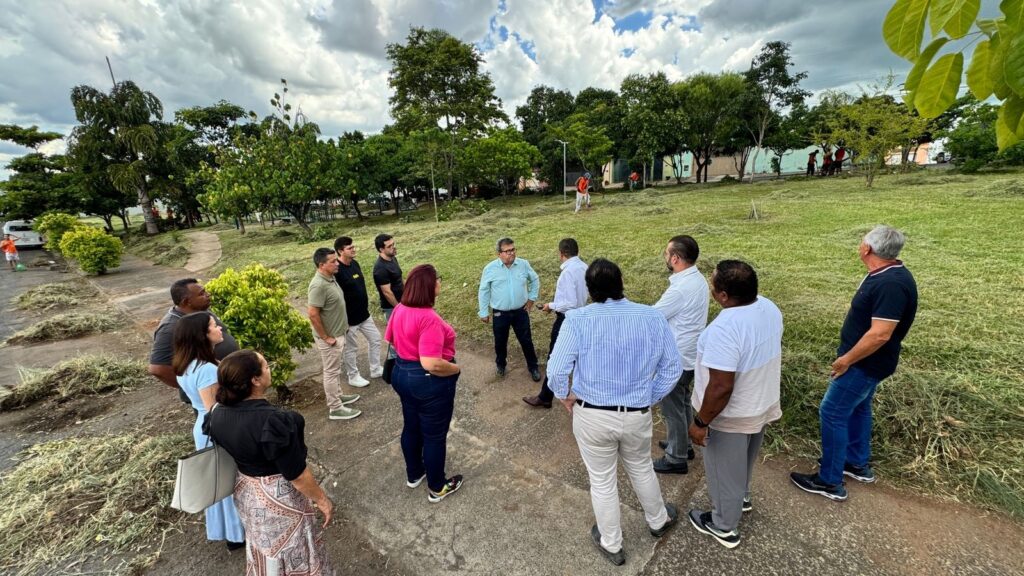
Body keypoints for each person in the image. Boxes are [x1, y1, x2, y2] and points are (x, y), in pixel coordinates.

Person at [547, 259, 683, 566]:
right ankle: (658, 520)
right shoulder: (651, 316)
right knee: (641, 467)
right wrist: (649, 395)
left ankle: (611, 543)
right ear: (621, 282)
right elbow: (672, 367)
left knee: (602, 480)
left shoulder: (577, 319)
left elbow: (556, 370)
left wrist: (564, 396)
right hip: (636, 413)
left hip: (592, 414)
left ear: (589, 289)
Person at [790, 225, 917, 501]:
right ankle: (856, 463)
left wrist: (846, 360)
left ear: (867, 249)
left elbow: (881, 333)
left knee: (832, 412)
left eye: (862, 241)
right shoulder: (886, 274)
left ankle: (829, 480)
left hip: (863, 364)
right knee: (859, 407)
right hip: (871, 362)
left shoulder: (890, 284)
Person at [206, 350, 335, 575]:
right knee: (294, 547)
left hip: (247, 492)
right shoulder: (274, 421)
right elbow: (297, 475)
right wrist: (322, 500)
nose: (269, 369)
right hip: (279, 497)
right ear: (255, 380)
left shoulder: (216, 413)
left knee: (264, 547)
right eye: (265, 366)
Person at [686, 260, 783, 550]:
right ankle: (740, 498)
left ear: (724, 296)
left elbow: (720, 386)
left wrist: (701, 422)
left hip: (730, 415)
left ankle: (723, 525)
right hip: (761, 402)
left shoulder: (724, 330)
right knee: (744, 459)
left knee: (721, 469)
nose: (711, 286)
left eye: (713, 284)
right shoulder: (768, 306)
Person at [384, 264, 464, 503]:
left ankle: (415, 473)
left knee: (411, 426)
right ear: (430, 285)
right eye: (438, 278)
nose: (440, 281)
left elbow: (391, 339)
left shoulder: (400, 308)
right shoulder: (428, 318)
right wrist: (455, 369)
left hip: (402, 373)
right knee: (434, 436)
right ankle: (437, 487)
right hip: (427, 380)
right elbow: (431, 363)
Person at [172, 311, 246, 550]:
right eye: (214, 326)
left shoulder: (186, 365)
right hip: (214, 429)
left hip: (203, 427)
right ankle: (237, 534)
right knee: (227, 481)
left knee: (218, 480)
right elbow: (214, 408)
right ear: (202, 335)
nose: (220, 329)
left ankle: (230, 532)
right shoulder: (205, 370)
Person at [652, 235, 709, 475]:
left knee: (672, 408)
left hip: (677, 356)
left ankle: (676, 458)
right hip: (691, 354)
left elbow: (654, 316)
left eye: (667, 254)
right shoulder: (698, 280)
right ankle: (683, 444)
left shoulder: (680, 290)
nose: (665, 257)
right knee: (683, 400)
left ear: (675, 258)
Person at [148, 279, 239, 406]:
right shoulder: (170, 328)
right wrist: (195, 387)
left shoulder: (201, 311)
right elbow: (157, 369)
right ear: (186, 302)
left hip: (228, 385)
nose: (208, 295)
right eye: (201, 294)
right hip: (212, 394)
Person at [523, 238, 588, 409]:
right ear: (577, 251)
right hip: (581, 316)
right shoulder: (584, 267)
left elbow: (570, 302)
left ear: (561, 253)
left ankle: (547, 396)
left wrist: (550, 305)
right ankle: (551, 395)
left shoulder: (567, 273)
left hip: (567, 318)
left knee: (556, 357)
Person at [308, 248, 362, 421]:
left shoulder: (330, 278)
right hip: (330, 338)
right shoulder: (318, 285)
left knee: (336, 369)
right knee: (331, 372)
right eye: (333, 261)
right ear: (321, 265)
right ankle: (335, 407)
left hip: (338, 333)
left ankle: (338, 395)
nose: (337, 263)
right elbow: (313, 314)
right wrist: (326, 337)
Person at [478, 237, 541, 381]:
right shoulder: (490, 269)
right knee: (500, 341)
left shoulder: (523, 264)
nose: (511, 253)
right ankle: (501, 365)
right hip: (500, 313)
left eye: (513, 250)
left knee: (526, 340)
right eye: (507, 251)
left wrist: (531, 299)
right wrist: (483, 311)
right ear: (499, 254)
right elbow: (484, 291)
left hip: (521, 311)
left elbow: (535, 279)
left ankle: (533, 367)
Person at [334, 236, 383, 387]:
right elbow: (337, 298)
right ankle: (353, 376)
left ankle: (375, 369)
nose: (353, 249)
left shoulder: (354, 263)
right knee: (351, 348)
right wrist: (343, 320)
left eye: (353, 246)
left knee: (375, 338)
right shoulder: (337, 271)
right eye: (349, 248)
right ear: (340, 251)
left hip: (364, 314)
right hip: (349, 319)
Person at [372, 234, 404, 323]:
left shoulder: (393, 259)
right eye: (389, 246)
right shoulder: (380, 268)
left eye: (393, 244)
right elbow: (387, 293)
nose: (394, 247)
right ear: (381, 249)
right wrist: (398, 308)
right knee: (396, 335)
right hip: (392, 308)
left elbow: (400, 278)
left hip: (402, 303)